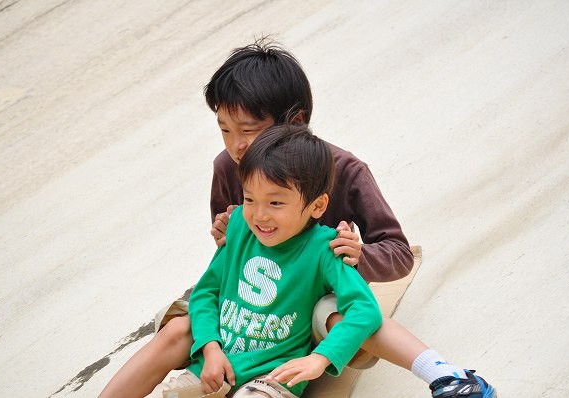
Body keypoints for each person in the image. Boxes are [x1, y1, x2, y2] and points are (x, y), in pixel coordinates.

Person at [99, 39, 496, 398]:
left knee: (340, 313)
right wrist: (223, 234)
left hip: (316, 293)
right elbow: (232, 261)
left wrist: (359, 255)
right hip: (259, 297)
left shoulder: (346, 170)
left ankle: (446, 375)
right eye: (224, 129)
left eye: (249, 130)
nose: (236, 145)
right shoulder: (228, 165)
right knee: (179, 326)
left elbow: (399, 253)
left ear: (296, 119)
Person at [147, 125, 383, 397]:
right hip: (215, 365)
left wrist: (320, 358)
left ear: (317, 206)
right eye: (249, 199)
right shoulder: (239, 226)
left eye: (275, 203)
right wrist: (210, 349)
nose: (260, 215)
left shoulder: (325, 247)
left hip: (272, 377)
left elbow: (365, 309)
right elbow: (206, 292)